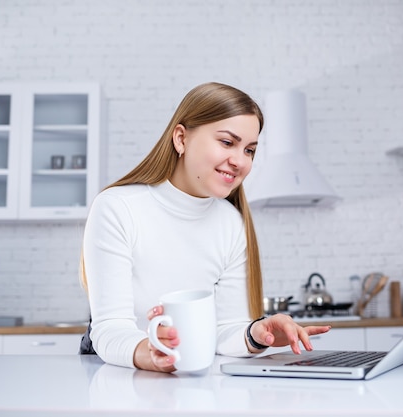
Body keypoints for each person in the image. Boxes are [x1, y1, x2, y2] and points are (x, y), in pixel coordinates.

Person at [79, 82, 331, 372]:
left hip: (189, 378)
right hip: (117, 376)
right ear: (181, 139)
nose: (239, 161)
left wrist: (256, 335)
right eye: (227, 142)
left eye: (249, 150)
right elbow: (110, 328)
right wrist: (150, 352)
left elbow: (225, 330)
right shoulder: (117, 207)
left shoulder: (230, 222)